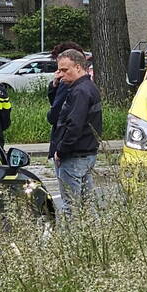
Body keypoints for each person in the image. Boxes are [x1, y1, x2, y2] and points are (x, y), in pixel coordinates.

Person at [51, 49, 102, 216]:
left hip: (74, 155)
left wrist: (61, 150)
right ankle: (89, 239)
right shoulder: (88, 87)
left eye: (65, 70)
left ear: (78, 67)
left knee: (71, 207)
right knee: (86, 205)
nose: (61, 75)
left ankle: (71, 240)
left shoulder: (80, 91)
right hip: (87, 153)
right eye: (59, 70)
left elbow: (74, 125)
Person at [47, 41, 86, 159]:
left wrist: (59, 151)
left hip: (67, 147)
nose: (59, 72)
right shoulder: (85, 84)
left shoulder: (68, 84)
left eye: (63, 69)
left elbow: (56, 114)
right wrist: (54, 86)